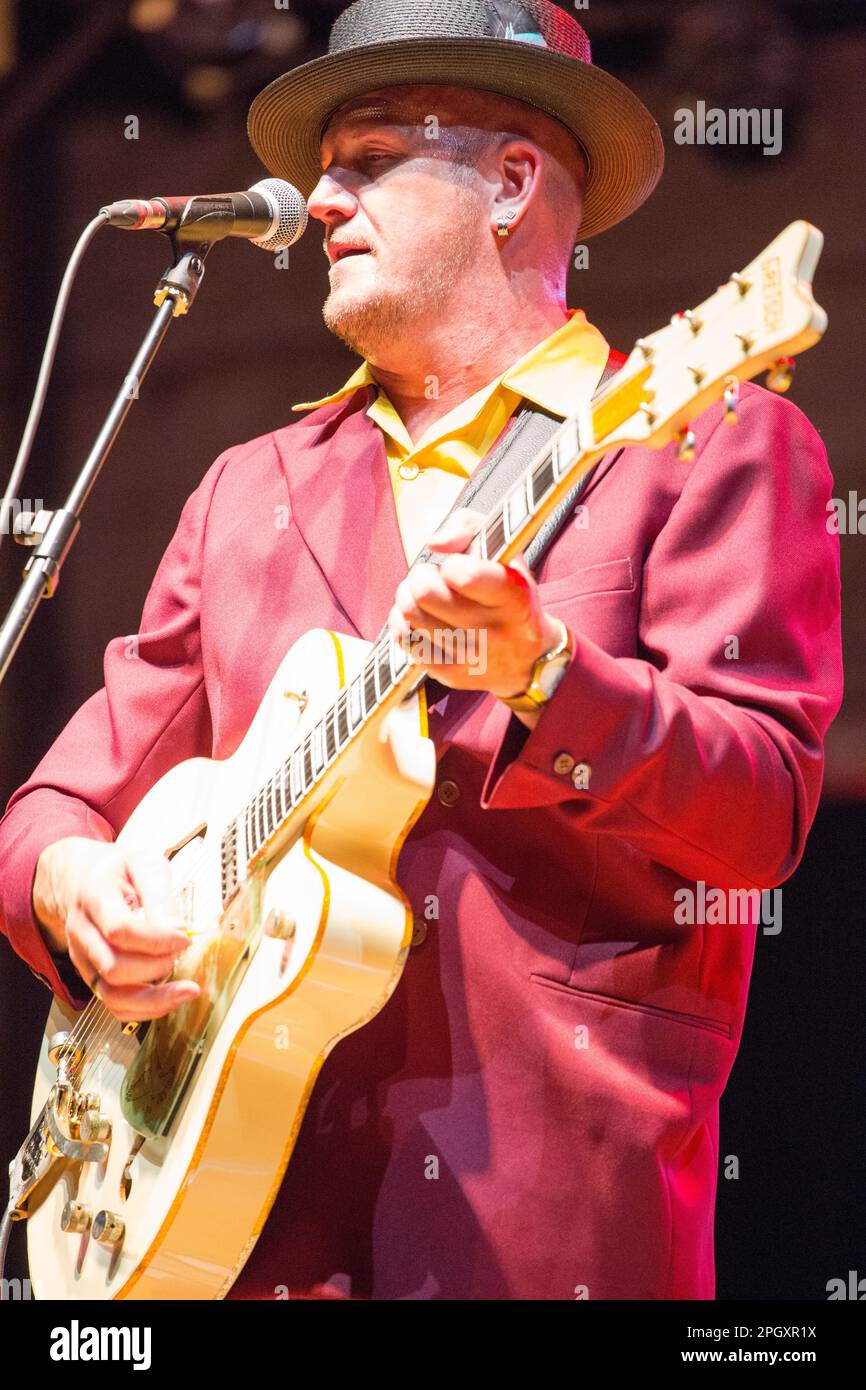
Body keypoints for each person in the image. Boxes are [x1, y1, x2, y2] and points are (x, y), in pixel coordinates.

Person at [0, 0, 843, 1300]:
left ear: (512, 181)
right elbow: (63, 793)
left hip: (541, 1219)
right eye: (323, 163)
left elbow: (759, 815)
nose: (319, 199)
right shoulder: (247, 486)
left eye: (371, 157)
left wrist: (546, 678)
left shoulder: (699, 434)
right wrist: (63, 877)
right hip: (232, 1230)